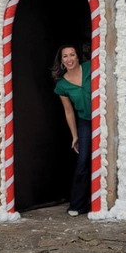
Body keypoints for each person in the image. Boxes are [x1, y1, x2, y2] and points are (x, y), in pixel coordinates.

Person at [52, 44, 91, 217]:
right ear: (61, 61)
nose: (69, 59)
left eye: (72, 55)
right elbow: (69, 112)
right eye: (65, 56)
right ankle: (78, 204)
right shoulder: (62, 85)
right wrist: (75, 135)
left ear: (77, 56)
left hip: (104, 117)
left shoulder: (91, 67)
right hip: (85, 121)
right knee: (82, 160)